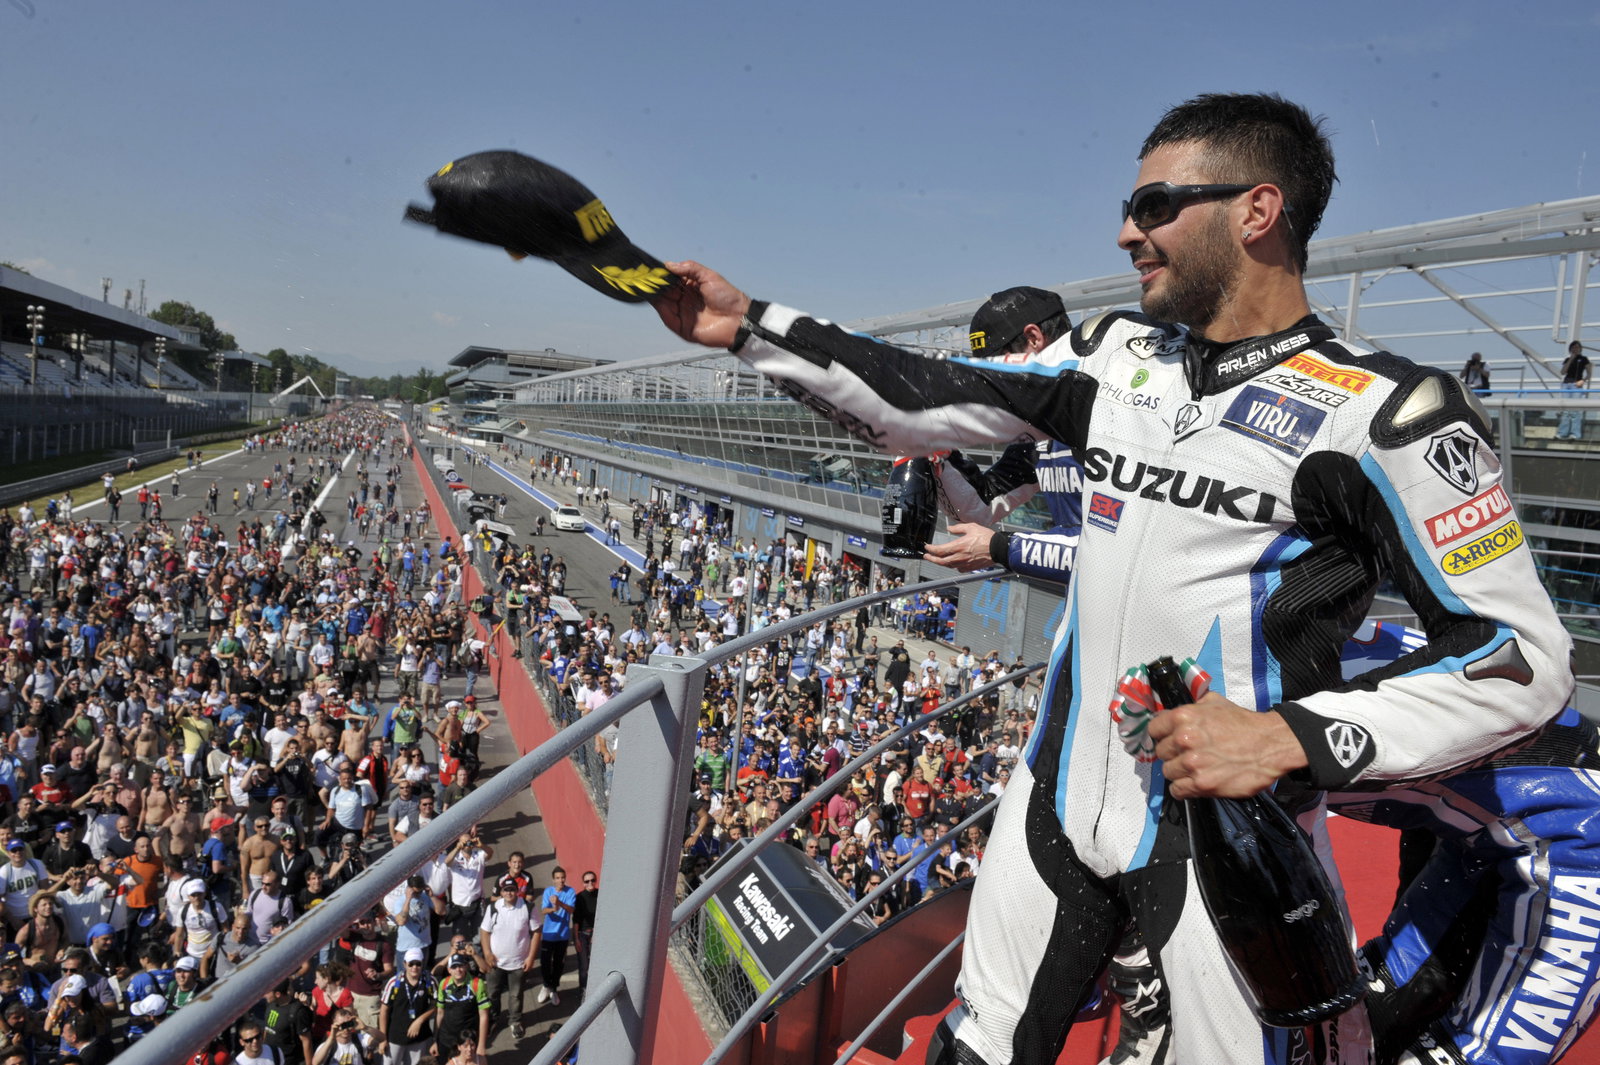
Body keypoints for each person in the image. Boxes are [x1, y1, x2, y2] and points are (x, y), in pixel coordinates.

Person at [647, 92, 1574, 1064]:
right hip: (1051, 796)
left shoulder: (1390, 417)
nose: (1125, 231)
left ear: (1257, 212)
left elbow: (1521, 658)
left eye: (1157, 204)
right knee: (972, 1049)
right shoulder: (1110, 358)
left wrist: (1286, 737)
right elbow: (924, 406)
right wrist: (745, 324)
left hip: (1225, 839)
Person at [478, 876, 537, 1038]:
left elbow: (537, 932)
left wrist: (531, 957)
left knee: (516, 995)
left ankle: (515, 1021)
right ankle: (493, 1019)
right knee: (492, 994)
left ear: (517, 891)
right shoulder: (493, 908)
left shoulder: (528, 907)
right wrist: (487, 953)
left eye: (512, 889)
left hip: (518, 963)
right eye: (506, 890)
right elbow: (484, 931)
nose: (509, 893)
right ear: (501, 892)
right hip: (495, 963)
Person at [1556, 339, 1590, 440]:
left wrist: (1583, 381)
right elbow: (1563, 372)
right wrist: (1571, 359)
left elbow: (1589, 373)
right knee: (1566, 410)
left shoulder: (1584, 359)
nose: (1575, 349)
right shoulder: (1567, 359)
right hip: (1566, 385)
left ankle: (1575, 434)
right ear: (1570, 349)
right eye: (1573, 347)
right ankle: (1562, 433)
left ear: (1580, 349)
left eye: (1577, 347)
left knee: (1575, 410)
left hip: (1576, 384)